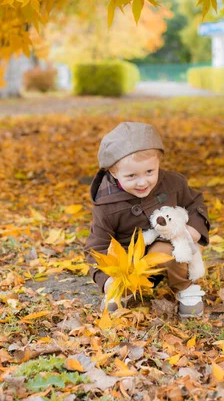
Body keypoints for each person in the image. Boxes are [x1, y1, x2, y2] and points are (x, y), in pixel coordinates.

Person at [85, 122, 210, 318]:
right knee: (119, 278)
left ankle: (185, 287)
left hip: (164, 249)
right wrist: (106, 279)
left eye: (150, 172)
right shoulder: (106, 205)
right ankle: (121, 292)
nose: (142, 182)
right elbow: (97, 247)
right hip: (129, 261)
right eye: (131, 175)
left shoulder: (173, 183)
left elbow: (195, 204)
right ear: (113, 172)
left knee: (168, 250)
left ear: (159, 162)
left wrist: (194, 228)